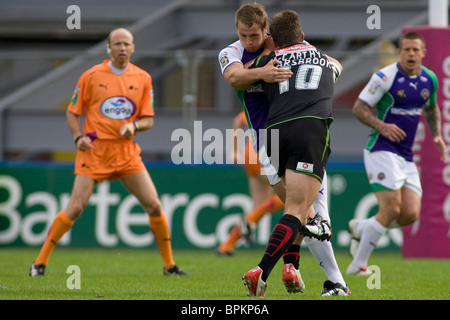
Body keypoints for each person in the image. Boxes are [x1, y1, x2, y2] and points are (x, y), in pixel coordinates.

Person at [30, 28, 188, 277]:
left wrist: (133, 125)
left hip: (126, 153)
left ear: (133, 48)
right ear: (109, 48)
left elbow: (148, 120)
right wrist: (78, 137)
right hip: (95, 151)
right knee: (76, 206)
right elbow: (73, 112)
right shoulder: (91, 76)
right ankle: (39, 263)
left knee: (155, 205)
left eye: (127, 44)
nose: (122, 48)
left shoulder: (143, 78)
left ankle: (170, 266)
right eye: (117, 44)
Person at [219, 4, 348, 296]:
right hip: (269, 140)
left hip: (284, 135)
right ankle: (329, 279)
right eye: (243, 36)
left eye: (254, 36)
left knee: (303, 211)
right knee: (306, 213)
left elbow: (320, 58)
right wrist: (264, 71)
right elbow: (234, 78)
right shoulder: (234, 54)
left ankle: (295, 266)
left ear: (267, 31)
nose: (248, 42)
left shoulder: (279, 46)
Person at [347, 31, 446, 275]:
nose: (411, 54)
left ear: (423, 53)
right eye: (406, 49)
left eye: (416, 50)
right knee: (391, 208)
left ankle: (362, 228)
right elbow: (358, 109)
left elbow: (432, 109)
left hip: (405, 155)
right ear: (399, 52)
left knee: (409, 214)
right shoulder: (384, 77)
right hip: (381, 148)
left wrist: (436, 135)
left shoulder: (429, 79)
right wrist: (382, 126)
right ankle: (357, 265)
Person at [216, 111, 284, 256]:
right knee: (292, 193)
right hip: (265, 155)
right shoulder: (278, 100)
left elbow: (239, 120)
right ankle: (248, 220)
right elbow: (239, 120)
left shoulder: (260, 99)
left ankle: (226, 246)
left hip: (252, 155)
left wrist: (235, 151)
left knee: (258, 207)